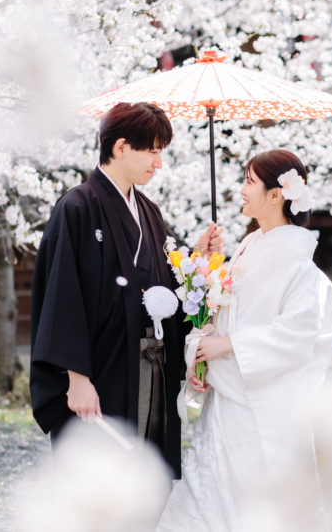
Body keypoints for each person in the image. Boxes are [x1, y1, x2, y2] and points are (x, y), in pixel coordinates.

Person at [29, 102, 223, 478]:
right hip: (101, 369)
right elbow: (63, 298)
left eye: (159, 152)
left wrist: (198, 256)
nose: (158, 162)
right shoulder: (77, 207)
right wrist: (77, 380)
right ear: (120, 147)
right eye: (152, 150)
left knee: (145, 479)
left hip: (151, 367)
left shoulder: (148, 211)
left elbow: (167, 285)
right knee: (100, 483)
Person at [158, 149, 332, 531]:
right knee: (209, 499)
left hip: (262, 408)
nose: (241, 190)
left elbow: (298, 335)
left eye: (249, 181)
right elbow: (225, 315)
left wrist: (226, 346)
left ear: (276, 194)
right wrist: (202, 357)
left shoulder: (295, 261)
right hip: (229, 398)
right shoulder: (250, 245)